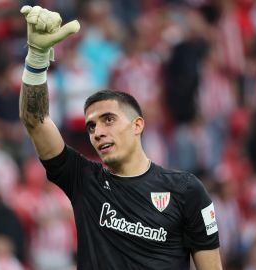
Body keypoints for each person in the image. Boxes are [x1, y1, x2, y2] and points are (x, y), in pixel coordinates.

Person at [18, 5, 222, 269]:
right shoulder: (84, 181)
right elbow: (35, 121)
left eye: (108, 120)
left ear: (138, 125)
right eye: (91, 127)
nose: (98, 131)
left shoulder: (186, 191)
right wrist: (36, 59)